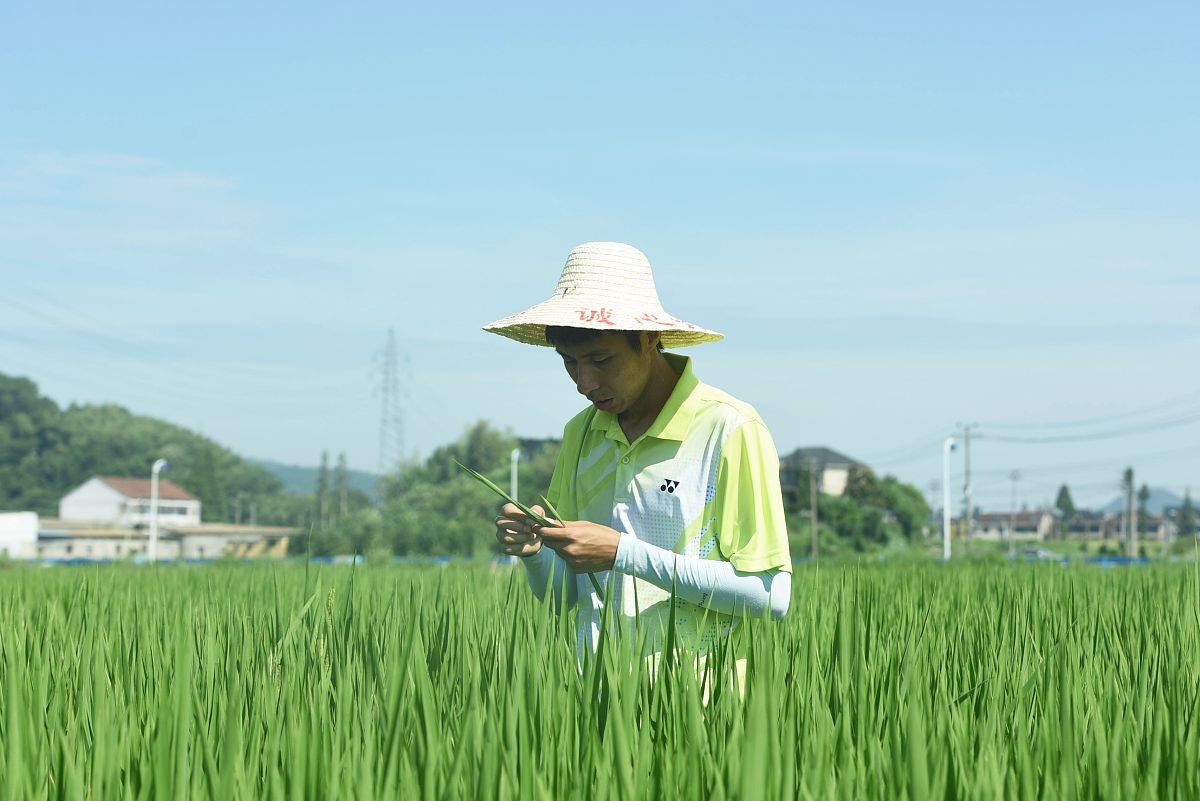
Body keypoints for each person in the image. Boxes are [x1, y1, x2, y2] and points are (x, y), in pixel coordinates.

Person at [486, 242, 791, 662]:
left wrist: (622, 552)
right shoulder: (582, 433)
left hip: (696, 704)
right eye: (569, 362)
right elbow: (564, 596)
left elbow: (770, 596)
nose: (584, 383)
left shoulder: (730, 429)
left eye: (601, 360)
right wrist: (534, 553)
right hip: (594, 697)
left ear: (648, 339)